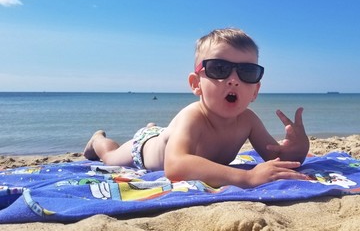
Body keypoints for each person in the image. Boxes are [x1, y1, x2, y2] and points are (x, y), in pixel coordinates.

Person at [84, 28, 310, 188]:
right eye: (219, 69)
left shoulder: (249, 120)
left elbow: (277, 160)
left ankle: (155, 128)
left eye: (247, 72)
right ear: (196, 84)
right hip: (144, 148)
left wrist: (297, 148)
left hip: (168, 136)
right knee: (111, 157)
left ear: (255, 91)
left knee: (164, 134)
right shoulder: (193, 116)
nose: (233, 80)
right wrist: (247, 178)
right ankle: (98, 140)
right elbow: (175, 166)